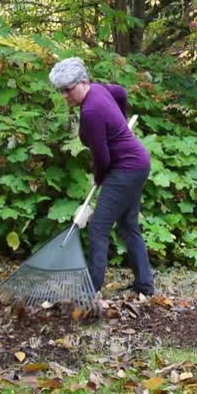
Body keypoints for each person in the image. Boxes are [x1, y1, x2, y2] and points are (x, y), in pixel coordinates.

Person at [48, 57, 155, 296]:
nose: (65, 95)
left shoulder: (91, 111)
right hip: (137, 164)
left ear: (83, 82)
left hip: (125, 169)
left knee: (98, 226)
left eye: (68, 89)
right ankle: (145, 285)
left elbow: (102, 156)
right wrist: (119, 118)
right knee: (128, 225)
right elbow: (120, 92)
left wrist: (99, 177)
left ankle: (90, 288)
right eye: (61, 91)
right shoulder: (98, 90)